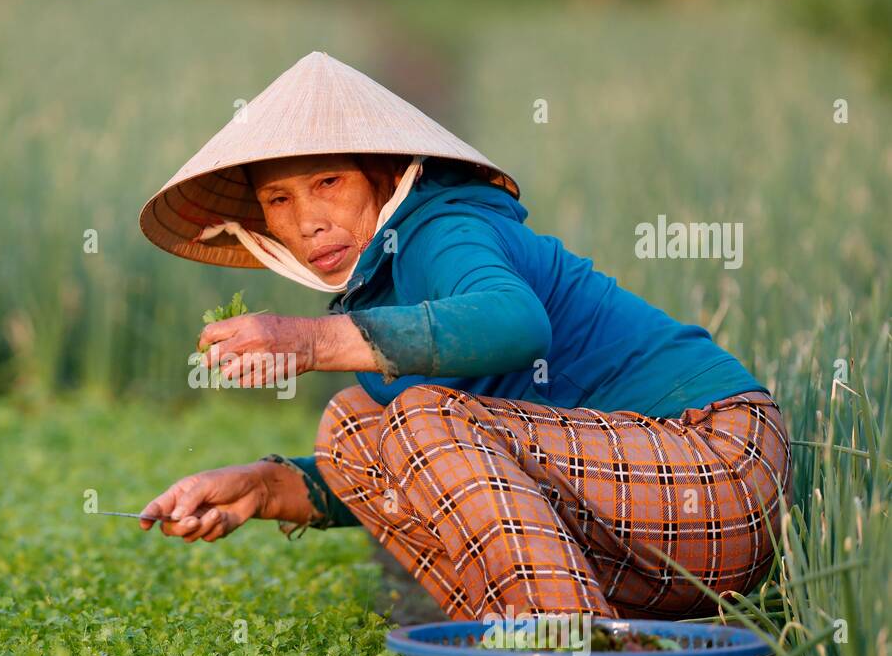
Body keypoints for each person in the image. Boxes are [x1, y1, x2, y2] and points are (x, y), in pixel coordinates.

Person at [135, 51, 790, 621]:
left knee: (414, 415)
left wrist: (307, 341)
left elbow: (516, 322)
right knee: (357, 425)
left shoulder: (444, 228)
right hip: (641, 529)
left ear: (387, 175)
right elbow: (430, 473)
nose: (308, 222)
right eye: (279, 201)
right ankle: (583, 652)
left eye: (328, 183)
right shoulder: (380, 286)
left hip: (715, 466)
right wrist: (265, 488)